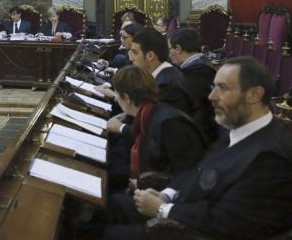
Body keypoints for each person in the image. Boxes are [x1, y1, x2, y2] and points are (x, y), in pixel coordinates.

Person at [121, 57, 292, 239]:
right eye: (214, 87)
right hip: (180, 209)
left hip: (186, 230)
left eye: (222, 88)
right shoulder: (237, 127)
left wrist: (163, 209)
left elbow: (226, 221)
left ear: (254, 94)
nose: (212, 96)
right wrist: (166, 195)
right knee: (111, 205)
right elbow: (197, 169)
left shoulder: (271, 158)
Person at [105, 65, 206, 226]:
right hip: (147, 188)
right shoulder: (148, 114)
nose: (117, 99)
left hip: (169, 207)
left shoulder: (170, 123)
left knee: (110, 206)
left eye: (117, 95)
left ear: (126, 97)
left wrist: (149, 185)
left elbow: (189, 172)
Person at [168, 27, 219, 144]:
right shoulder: (200, 64)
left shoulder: (197, 73)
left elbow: (196, 112)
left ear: (178, 49)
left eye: (169, 49)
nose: (169, 54)